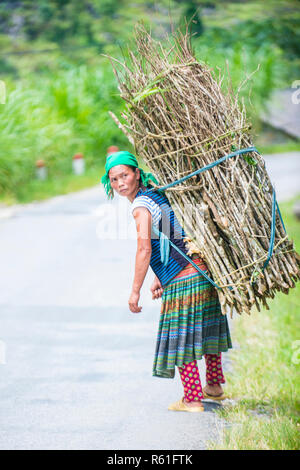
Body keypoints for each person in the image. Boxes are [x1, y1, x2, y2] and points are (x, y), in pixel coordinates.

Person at [101, 150, 232, 412]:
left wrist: (134, 291)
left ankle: (192, 399)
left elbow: (144, 249)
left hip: (183, 278)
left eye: (124, 175)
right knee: (205, 327)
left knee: (180, 336)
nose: (120, 184)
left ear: (137, 173)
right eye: (113, 180)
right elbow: (172, 236)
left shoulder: (140, 206)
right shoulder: (157, 194)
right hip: (201, 268)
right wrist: (158, 277)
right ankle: (215, 386)